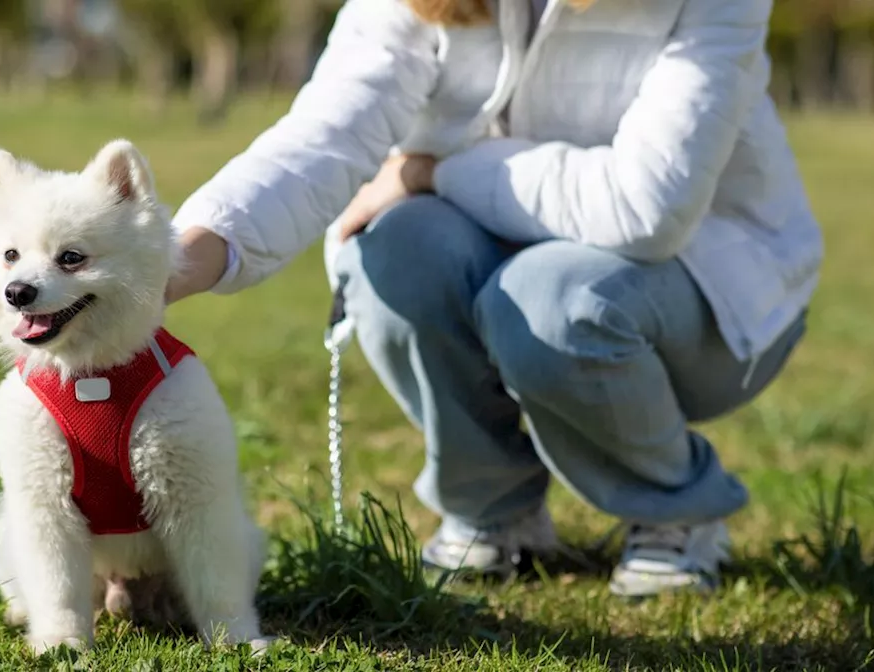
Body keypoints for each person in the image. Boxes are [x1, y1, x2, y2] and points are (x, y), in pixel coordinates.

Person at [163, 0, 822, 597]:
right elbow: (326, 134)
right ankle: (493, 511)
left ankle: (676, 510)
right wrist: (176, 258)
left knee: (549, 299)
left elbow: (644, 209)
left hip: (715, 291)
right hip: (516, 256)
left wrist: (434, 170)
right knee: (395, 246)